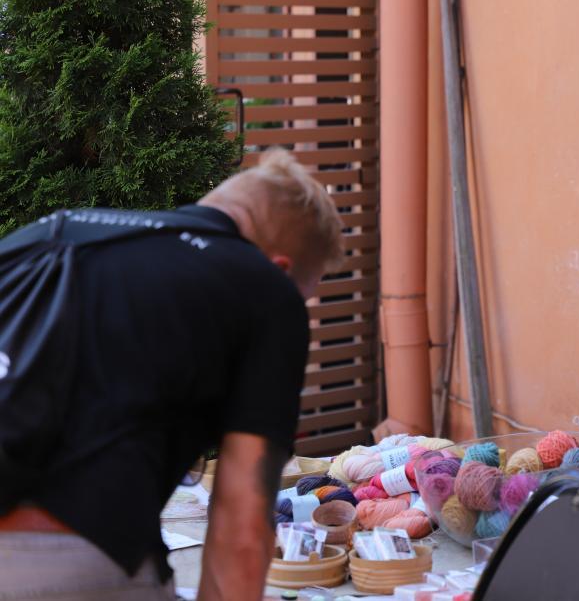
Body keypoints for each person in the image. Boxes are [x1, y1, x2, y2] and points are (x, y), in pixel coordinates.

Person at [0, 149, 345, 600]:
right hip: (58, 564)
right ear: (279, 268)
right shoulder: (264, 287)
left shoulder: (44, 233)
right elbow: (242, 528)